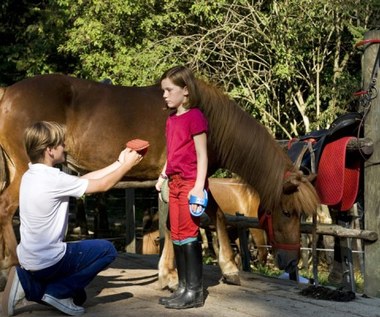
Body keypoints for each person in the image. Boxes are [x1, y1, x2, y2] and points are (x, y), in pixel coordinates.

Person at [2, 121, 143, 316]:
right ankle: (58, 292)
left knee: (79, 297)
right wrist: (127, 166)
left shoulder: (30, 175)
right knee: (107, 250)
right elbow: (101, 185)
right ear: (50, 150)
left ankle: (27, 282)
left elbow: (84, 181)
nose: (65, 147)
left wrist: (117, 163)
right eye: (61, 144)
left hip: (30, 259)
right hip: (49, 260)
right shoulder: (54, 179)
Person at [155, 65, 208, 309]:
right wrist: (164, 174)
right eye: (163, 90)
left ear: (185, 91)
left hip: (189, 183)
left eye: (169, 90)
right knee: (176, 234)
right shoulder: (171, 119)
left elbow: (202, 155)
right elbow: (173, 151)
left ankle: (195, 291)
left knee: (188, 235)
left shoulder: (195, 117)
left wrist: (198, 187)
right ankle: (184, 287)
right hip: (174, 181)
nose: (165, 95)